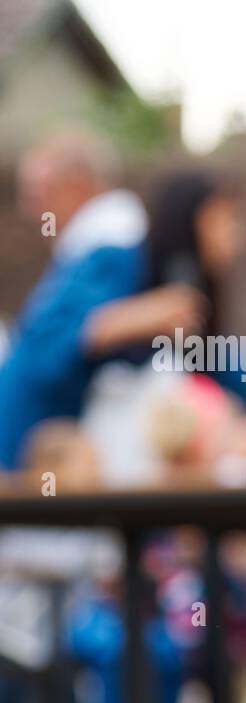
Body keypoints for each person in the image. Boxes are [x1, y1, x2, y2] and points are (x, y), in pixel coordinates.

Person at [0, 130, 197, 468]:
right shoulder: (92, 252)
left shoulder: (110, 251)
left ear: (76, 186)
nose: (31, 209)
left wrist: (105, 327)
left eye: (39, 193)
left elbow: (55, 354)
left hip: (56, 467)